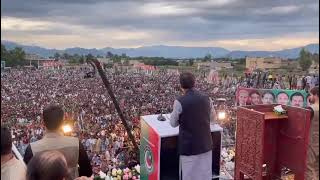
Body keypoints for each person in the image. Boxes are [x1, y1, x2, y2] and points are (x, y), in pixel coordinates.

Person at [23, 105, 92, 179]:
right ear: (62, 122)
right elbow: (87, 172)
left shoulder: (32, 149)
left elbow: (27, 176)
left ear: (43, 123)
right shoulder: (76, 144)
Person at [169, 72, 215, 180]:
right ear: (195, 83)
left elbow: (173, 123)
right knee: (205, 175)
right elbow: (213, 118)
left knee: (189, 176)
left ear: (181, 85)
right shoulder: (207, 98)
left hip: (188, 147)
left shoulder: (179, 101)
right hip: (205, 145)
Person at [305, 86, 319, 180]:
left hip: (312, 143)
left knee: (309, 168)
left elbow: (298, 120)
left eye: (311, 95)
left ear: (316, 95)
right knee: (317, 169)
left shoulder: (311, 109)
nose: (310, 97)